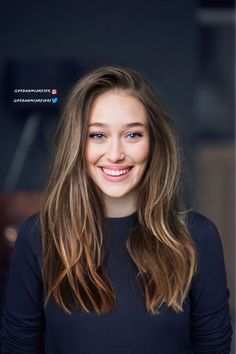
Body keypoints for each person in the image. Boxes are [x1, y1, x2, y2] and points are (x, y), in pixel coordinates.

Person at [0, 65, 232, 354]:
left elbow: (214, 348)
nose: (115, 154)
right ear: (77, 144)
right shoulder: (39, 237)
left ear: (154, 142)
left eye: (132, 135)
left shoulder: (198, 237)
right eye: (98, 135)